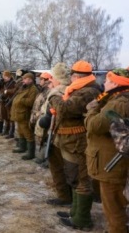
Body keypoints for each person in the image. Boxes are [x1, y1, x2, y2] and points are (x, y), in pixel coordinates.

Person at [48, 60, 102, 230]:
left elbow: (66, 109)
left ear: (76, 76)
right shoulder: (81, 89)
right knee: (74, 178)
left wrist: (54, 96)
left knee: (81, 179)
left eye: (71, 75)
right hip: (71, 141)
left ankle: (82, 219)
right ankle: (75, 212)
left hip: (79, 142)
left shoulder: (89, 91)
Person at [85, 67, 129, 233]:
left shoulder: (119, 103)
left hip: (113, 166)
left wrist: (92, 109)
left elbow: (94, 126)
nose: (104, 82)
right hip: (111, 162)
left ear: (118, 84)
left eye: (109, 80)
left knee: (114, 209)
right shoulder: (116, 99)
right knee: (113, 207)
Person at [39, 63, 73, 207]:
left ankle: (64, 197)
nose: (50, 80)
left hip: (56, 134)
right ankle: (66, 196)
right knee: (65, 168)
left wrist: (45, 119)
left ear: (58, 78)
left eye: (53, 77)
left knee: (58, 167)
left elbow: (56, 115)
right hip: (63, 135)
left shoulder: (57, 92)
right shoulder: (70, 89)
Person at [10, 72, 38, 159]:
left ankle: (31, 153)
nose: (24, 80)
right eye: (24, 79)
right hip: (18, 114)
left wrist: (21, 100)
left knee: (28, 133)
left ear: (31, 80)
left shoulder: (33, 89)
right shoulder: (23, 87)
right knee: (20, 132)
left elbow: (31, 102)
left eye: (26, 79)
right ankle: (22, 147)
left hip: (24, 114)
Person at [31, 72, 52, 164]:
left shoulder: (48, 91)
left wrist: (38, 115)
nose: (39, 81)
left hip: (43, 118)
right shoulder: (41, 90)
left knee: (45, 138)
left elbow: (46, 107)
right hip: (38, 117)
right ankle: (41, 157)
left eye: (41, 79)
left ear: (46, 80)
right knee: (39, 138)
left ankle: (45, 159)